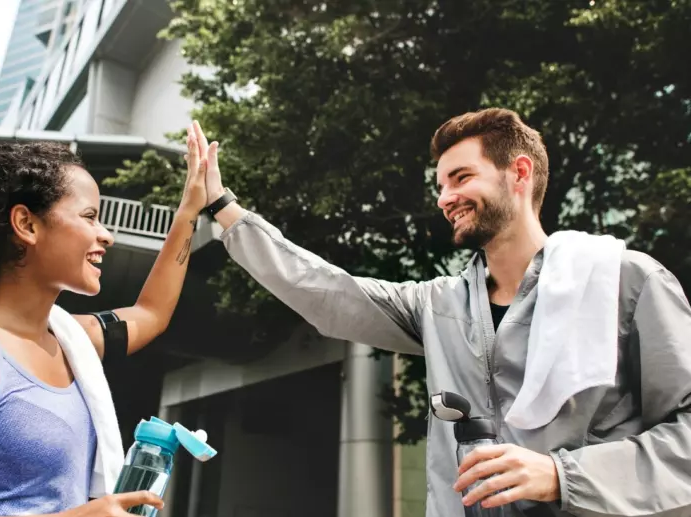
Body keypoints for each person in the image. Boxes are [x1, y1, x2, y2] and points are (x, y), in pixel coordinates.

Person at [190, 110, 691, 517]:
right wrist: (225, 209)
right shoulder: (439, 304)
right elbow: (326, 292)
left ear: (519, 173)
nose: (444, 198)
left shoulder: (626, 280)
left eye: (461, 177)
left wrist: (562, 476)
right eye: (440, 185)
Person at [0, 127, 208, 517]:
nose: (106, 235)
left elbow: (151, 314)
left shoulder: (71, 340)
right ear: (27, 224)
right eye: (90, 216)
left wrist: (190, 210)